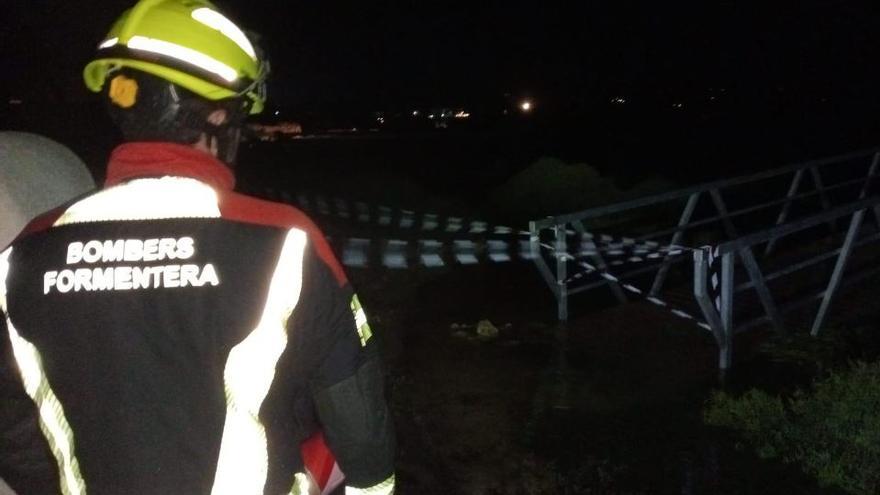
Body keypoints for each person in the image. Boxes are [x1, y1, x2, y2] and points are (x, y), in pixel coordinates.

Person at [0, 1, 395, 494]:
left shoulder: (23, 252)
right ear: (216, 118)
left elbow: (14, 428)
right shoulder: (284, 237)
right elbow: (356, 416)